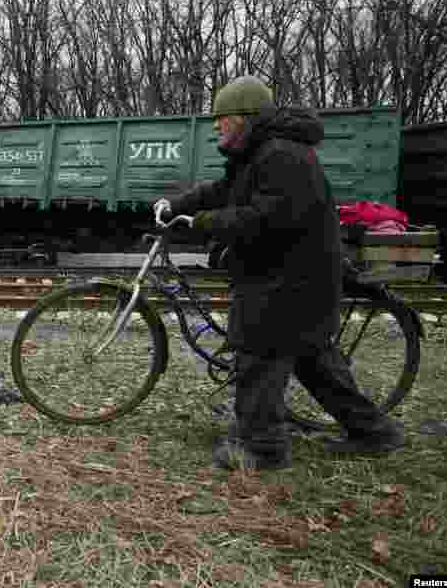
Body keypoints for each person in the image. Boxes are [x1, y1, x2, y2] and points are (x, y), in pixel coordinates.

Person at [155, 76, 405, 471]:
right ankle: (374, 432)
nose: (217, 125)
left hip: (287, 281)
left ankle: (263, 448)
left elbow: (267, 217)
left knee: (259, 355)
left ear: (245, 118)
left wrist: (203, 222)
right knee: (315, 364)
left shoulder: (282, 156)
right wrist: (175, 204)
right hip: (295, 278)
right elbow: (224, 190)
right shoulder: (261, 154)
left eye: (223, 118)